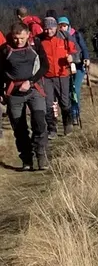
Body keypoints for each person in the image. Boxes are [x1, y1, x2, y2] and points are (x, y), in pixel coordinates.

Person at [1, 22, 51, 171]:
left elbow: (44, 66)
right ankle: (27, 159)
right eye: (16, 38)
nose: (19, 41)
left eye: (22, 38)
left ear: (28, 34)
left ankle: (41, 155)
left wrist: (30, 82)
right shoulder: (5, 50)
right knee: (19, 128)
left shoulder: (35, 45)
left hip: (34, 89)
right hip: (13, 93)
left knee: (39, 122)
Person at [38, 16, 75, 137]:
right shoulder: (39, 40)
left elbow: (76, 51)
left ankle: (67, 124)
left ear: (56, 27)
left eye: (51, 28)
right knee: (49, 103)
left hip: (62, 74)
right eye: (46, 29)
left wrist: (72, 58)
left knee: (64, 101)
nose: (48, 31)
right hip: (46, 76)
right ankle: (52, 129)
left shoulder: (65, 36)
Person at [61, 17, 89, 127]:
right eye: (61, 26)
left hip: (78, 66)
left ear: (68, 25)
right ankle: (72, 115)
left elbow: (84, 48)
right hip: (66, 67)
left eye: (64, 25)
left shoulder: (75, 34)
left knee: (75, 90)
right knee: (68, 92)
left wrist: (86, 58)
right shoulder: (58, 38)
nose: (63, 28)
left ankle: (75, 114)